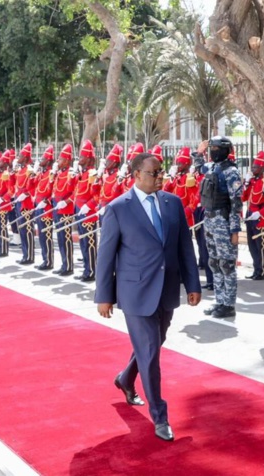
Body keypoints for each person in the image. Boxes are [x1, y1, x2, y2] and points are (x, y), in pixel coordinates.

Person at [94, 152, 202, 442]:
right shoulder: (118, 208)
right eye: (154, 173)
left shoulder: (172, 203)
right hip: (135, 292)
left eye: (161, 172)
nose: (160, 177)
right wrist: (104, 296)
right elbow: (105, 256)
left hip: (166, 289)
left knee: (154, 344)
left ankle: (125, 378)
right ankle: (160, 416)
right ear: (137, 175)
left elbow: (184, 247)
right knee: (151, 352)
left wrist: (193, 284)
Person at [199, 136, 244, 318]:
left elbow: (236, 204)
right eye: (212, 148)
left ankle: (229, 304)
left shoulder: (231, 172)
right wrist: (199, 150)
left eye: (217, 148)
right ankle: (219, 301)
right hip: (210, 220)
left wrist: (234, 230)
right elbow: (199, 166)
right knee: (214, 263)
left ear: (226, 150)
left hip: (224, 222)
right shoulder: (212, 168)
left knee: (227, 265)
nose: (213, 151)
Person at [241, 151, 264, 280]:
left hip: (259, 217)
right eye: (252, 167)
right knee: (251, 244)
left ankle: (262, 271)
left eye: (255, 167)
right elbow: (243, 198)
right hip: (250, 215)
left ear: (262, 168)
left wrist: (261, 213)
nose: (252, 169)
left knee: (260, 246)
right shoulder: (252, 182)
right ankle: (256, 270)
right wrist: (247, 183)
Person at [73, 140, 101, 282]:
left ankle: (91, 271)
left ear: (88, 159)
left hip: (88, 213)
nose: (79, 158)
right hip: (80, 211)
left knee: (89, 244)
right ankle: (86, 269)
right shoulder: (82, 173)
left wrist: (88, 205)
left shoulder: (91, 174)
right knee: (83, 242)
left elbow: (96, 196)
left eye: (82, 156)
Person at [51, 144, 77, 276]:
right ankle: (64, 264)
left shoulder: (71, 173)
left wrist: (66, 202)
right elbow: (54, 189)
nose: (58, 161)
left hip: (65, 210)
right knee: (60, 238)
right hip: (57, 208)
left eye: (60, 159)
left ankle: (69, 266)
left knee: (66, 238)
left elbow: (75, 192)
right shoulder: (59, 173)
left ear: (67, 160)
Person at [190, 149, 215, 291]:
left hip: (207, 212)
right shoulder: (196, 177)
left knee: (207, 248)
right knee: (201, 245)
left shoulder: (207, 176)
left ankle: (212, 280)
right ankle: (210, 280)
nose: (196, 167)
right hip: (198, 212)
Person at [12, 143, 37, 265]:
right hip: (19, 202)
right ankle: (25, 254)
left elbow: (32, 189)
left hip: (26, 204)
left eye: (21, 155)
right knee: (21, 229)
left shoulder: (29, 170)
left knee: (27, 230)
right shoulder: (20, 170)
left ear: (26, 158)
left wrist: (25, 194)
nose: (18, 157)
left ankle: (30, 256)